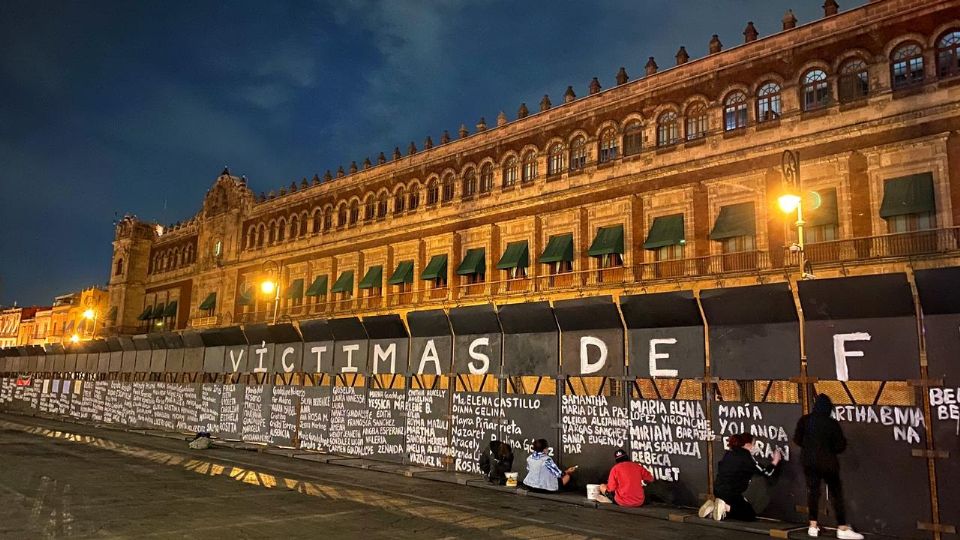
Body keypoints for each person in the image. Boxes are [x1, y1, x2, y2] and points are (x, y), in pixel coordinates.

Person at [794, 394, 863, 540]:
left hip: (809, 461)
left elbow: (797, 439)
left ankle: (812, 526)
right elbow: (840, 446)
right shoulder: (832, 423)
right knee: (835, 494)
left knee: (813, 492)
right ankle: (842, 527)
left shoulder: (804, 420)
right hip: (828, 463)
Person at [698, 433, 781, 522]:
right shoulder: (746, 456)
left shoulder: (729, 453)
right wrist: (775, 461)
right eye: (753, 444)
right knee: (749, 514)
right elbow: (766, 472)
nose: (754, 447)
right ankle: (725, 507)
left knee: (736, 508)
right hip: (731, 493)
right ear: (748, 444)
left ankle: (714, 507)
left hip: (718, 491)